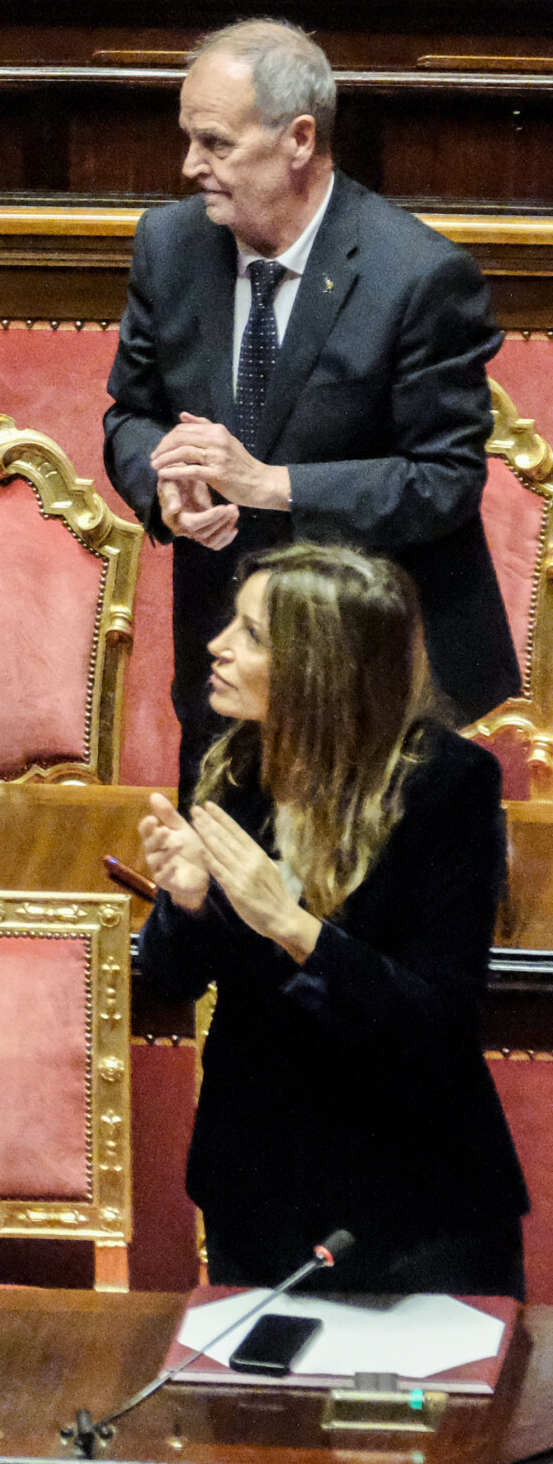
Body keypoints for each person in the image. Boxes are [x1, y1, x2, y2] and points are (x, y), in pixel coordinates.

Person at [104, 19, 519, 802]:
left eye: (215, 143)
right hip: (225, 669)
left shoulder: (418, 276)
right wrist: (164, 484)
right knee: (219, 909)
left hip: (374, 685)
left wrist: (275, 485)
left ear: (299, 138)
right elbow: (131, 413)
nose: (190, 165)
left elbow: (445, 479)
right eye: (188, 139)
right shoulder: (170, 245)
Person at [136, 542, 528, 1296]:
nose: (216, 646)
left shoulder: (447, 789)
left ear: (320, 666)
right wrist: (188, 902)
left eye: (251, 634)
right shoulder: (235, 764)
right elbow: (173, 977)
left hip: (413, 1213)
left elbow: (438, 1024)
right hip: (255, 1196)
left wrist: (292, 925)